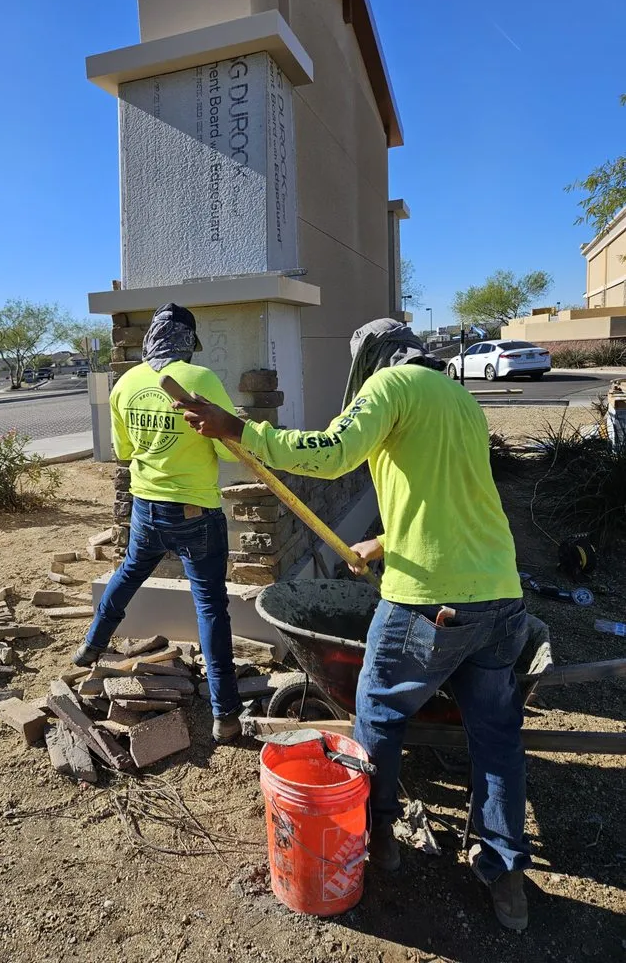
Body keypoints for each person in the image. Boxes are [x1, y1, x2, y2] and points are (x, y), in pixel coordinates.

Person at [173, 320, 532, 931]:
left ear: (371, 360)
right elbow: (455, 500)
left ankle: (379, 835)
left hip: (429, 603)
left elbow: (331, 452)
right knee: (496, 737)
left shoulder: (391, 385)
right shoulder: (461, 399)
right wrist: (384, 542)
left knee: (378, 714)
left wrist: (238, 428)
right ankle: (507, 878)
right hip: (500, 597)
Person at [73, 303, 243, 743]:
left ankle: (91, 645)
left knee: (130, 571)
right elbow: (226, 446)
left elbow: (124, 452)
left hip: (146, 506)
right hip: (195, 510)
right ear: (189, 342)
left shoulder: (125, 383)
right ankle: (225, 714)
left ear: (151, 338)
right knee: (210, 605)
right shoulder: (201, 379)